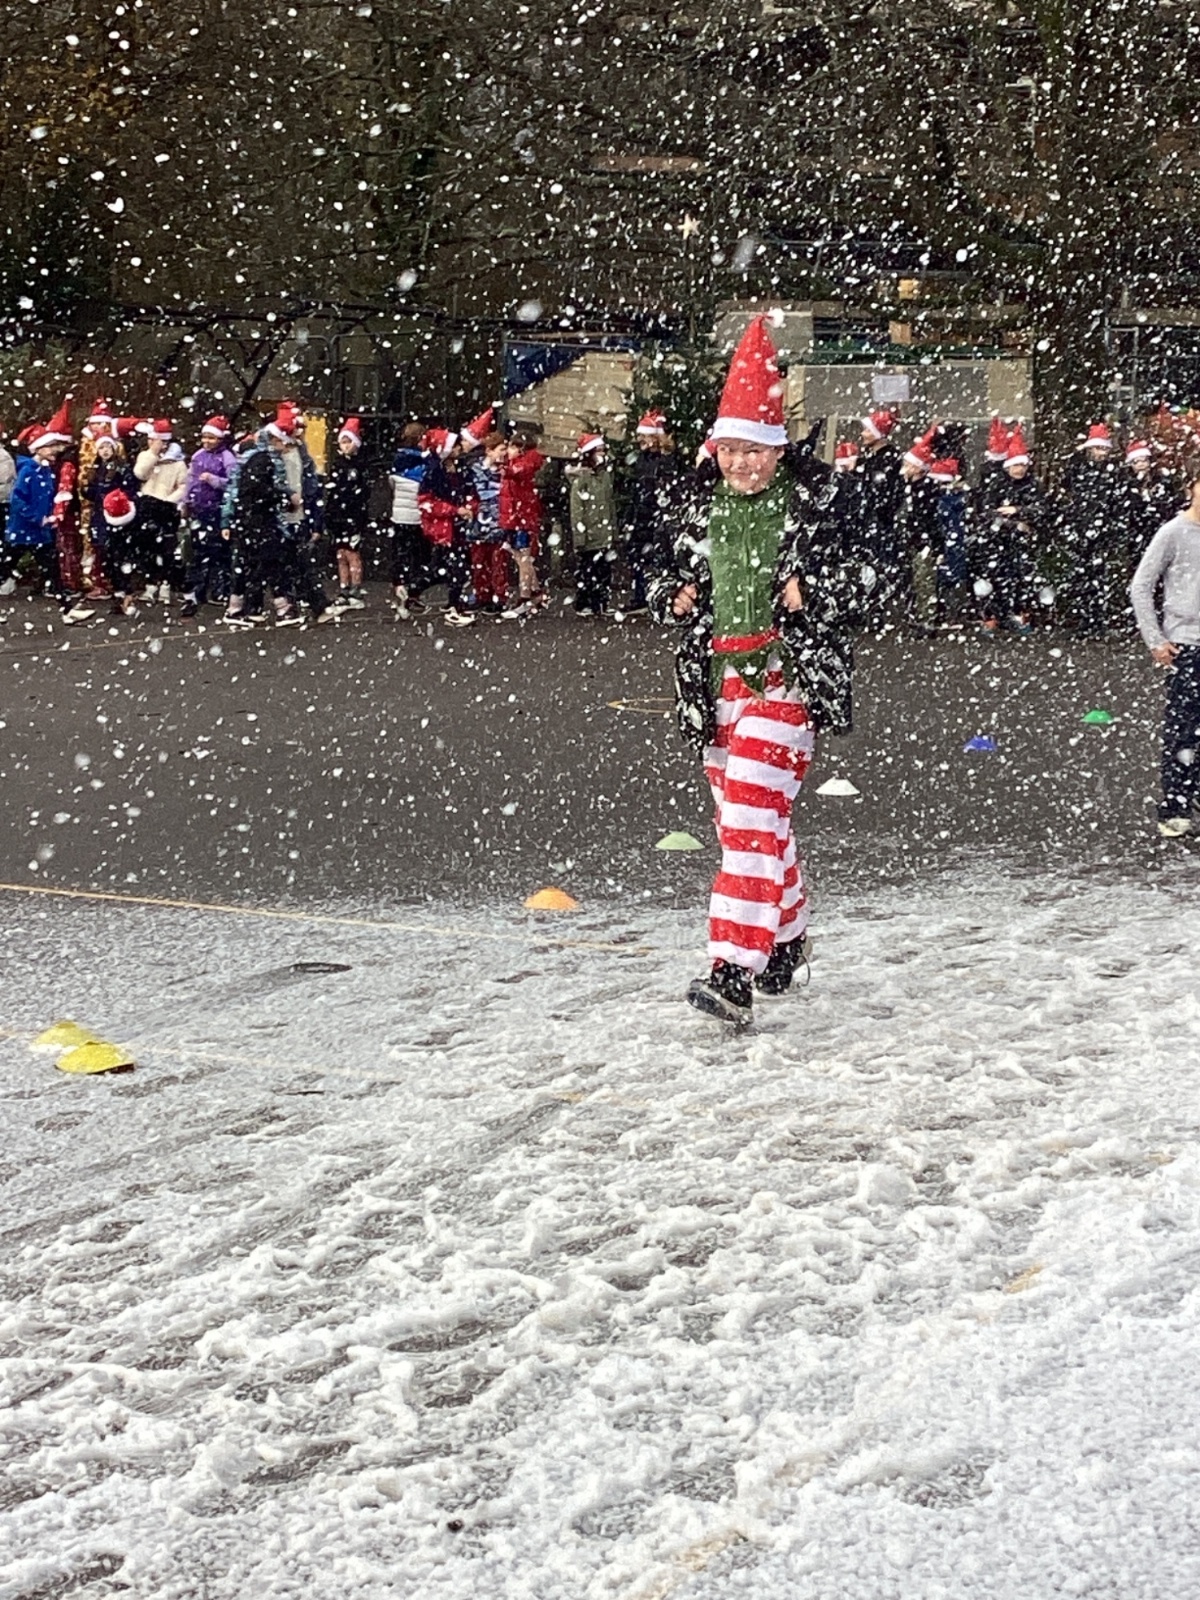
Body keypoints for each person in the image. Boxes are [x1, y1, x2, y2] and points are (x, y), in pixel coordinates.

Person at [648, 315, 860, 1027]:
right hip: (715, 686)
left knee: (747, 817)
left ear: (777, 450)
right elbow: (659, 577)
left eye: (755, 451)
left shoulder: (814, 506)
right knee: (752, 823)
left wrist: (814, 590)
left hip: (785, 679)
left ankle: (731, 970)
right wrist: (671, 594)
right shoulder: (694, 507)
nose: (742, 465)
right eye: (732, 451)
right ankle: (787, 942)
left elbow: (869, 581)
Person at [1130, 473, 1200, 838]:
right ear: (1192, 489)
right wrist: (1155, 639)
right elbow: (1141, 586)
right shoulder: (1173, 533)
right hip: (1187, 644)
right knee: (1183, 730)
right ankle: (1175, 807)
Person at [3, 406, 94, 621]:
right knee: (4, 569)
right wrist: (38, 518)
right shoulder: (28, 471)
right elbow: (18, 500)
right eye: (50, 446)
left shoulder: (45, 471)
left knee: (53, 572)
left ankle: (67, 611)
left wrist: (50, 516)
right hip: (22, 532)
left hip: (39, 533)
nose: (55, 450)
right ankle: (67, 610)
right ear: (38, 449)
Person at [974, 426, 1043, 635]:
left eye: (1023, 465)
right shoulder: (997, 484)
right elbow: (986, 512)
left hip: (1021, 542)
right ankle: (991, 617)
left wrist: (1018, 510)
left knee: (1021, 578)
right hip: (997, 540)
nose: (1019, 469)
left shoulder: (1032, 485)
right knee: (993, 577)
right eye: (1016, 465)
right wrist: (1011, 523)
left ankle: (1018, 614)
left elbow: (1041, 510)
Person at [1061, 422, 1128, 636]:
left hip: (1102, 532)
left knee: (1099, 577)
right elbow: (1067, 494)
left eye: (1104, 449)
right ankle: (1084, 618)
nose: (1102, 453)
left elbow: (1118, 504)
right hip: (1081, 529)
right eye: (1098, 449)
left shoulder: (1114, 474)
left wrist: (1113, 528)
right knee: (1081, 576)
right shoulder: (1077, 469)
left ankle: (1097, 619)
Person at [418, 427, 477, 627]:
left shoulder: (461, 469)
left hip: (457, 525)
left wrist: (470, 507)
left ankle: (418, 592)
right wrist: (454, 510)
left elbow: (471, 493)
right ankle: (453, 605)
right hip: (446, 526)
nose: (459, 449)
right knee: (451, 567)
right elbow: (426, 502)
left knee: (447, 567)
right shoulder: (434, 472)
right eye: (455, 446)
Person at [624, 410, 681, 613]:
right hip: (642, 514)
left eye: (645, 436)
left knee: (657, 558)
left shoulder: (665, 460)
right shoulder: (643, 459)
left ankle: (655, 597)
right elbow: (638, 489)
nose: (640, 440)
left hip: (656, 515)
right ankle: (640, 595)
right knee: (637, 557)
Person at [179, 416, 236, 617]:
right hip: (199, 509)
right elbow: (190, 481)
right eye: (204, 437)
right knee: (197, 553)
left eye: (211, 438)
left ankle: (221, 589)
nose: (206, 441)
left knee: (219, 552)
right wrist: (185, 501)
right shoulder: (198, 456)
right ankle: (196, 592)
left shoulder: (227, 458)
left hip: (217, 511)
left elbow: (233, 484)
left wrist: (214, 480)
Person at [133, 419, 187, 600]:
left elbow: (183, 486)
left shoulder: (178, 463)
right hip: (147, 505)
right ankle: (150, 584)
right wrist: (152, 455)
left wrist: (169, 501)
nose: (150, 443)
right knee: (147, 548)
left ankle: (166, 584)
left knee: (166, 549)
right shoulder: (145, 456)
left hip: (167, 508)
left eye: (154, 440)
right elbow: (140, 474)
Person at [85, 434, 137, 612]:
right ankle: (118, 592)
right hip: (100, 515)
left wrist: (116, 500)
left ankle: (125, 593)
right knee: (105, 555)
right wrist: (87, 490)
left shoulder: (122, 468)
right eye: (101, 447)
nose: (105, 451)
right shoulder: (96, 468)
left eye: (108, 446)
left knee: (118, 556)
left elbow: (129, 490)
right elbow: (92, 492)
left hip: (116, 516)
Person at [325, 416, 372, 611]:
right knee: (341, 554)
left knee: (352, 553)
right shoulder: (338, 464)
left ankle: (355, 587)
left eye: (348, 442)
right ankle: (344, 587)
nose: (345, 446)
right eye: (342, 442)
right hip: (339, 515)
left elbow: (362, 493)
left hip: (353, 515)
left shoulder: (359, 465)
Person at [500, 430, 547, 619]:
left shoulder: (525, 464)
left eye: (512, 447)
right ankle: (535, 592)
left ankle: (526, 597)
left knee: (524, 558)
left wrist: (504, 469)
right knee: (519, 556)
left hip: (522, 517)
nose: (508, 451)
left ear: (521, 449)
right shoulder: (519, 463)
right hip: (515, 517)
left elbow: (517, 472)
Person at [567, 433, 616, 615]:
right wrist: (580, 536)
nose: (602, 454)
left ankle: (601, 603)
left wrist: (613, 530)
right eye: (598, 451)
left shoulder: (605, 475)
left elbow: (609, 503)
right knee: (588, 571)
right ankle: (584, 603)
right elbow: (577, 509)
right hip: (590, 533)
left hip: (603, 532)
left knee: (604, 570)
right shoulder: (582, 479)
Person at [465, 429, 510, 615]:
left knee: (498, 561)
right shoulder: (475, 470)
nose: (504, 453)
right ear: (489, 451)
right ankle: (481, 594)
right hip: (479, 521)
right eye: (501, 449)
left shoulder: (506, 471)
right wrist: (471, 507)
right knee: (479, 561)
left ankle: (498, 596)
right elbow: (469, 492)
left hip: (499, 521)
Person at [389, 422, 428, 618]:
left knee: (400, 554)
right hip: (417, 516)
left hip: (399, 515)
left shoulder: (398, 459)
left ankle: (399, 587)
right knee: (418, 556)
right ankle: (413, 592)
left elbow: (392, 485)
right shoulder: (424, 462)